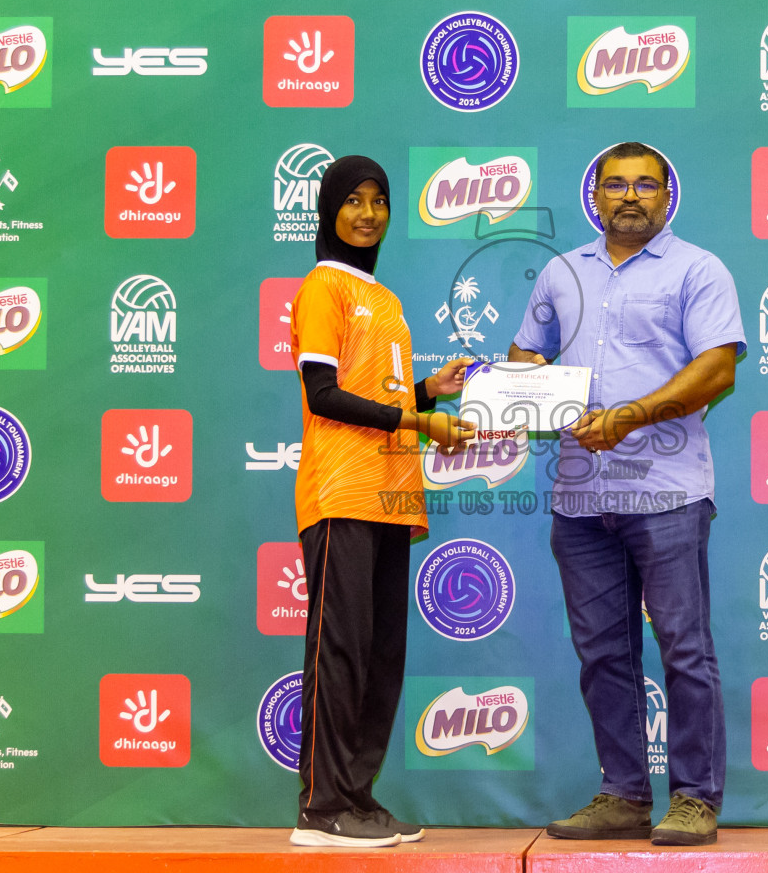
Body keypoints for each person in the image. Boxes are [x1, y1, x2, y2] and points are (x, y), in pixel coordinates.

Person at [509, 142, 744, 847]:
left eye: (646, 185)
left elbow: (716, 373)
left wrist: (632, 416)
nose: (631, 196)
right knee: (603, 654)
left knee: (683, 648)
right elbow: (528, 355)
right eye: (616, 185)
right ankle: (622, 793)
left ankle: (696, 798)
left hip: (668, 496)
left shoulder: (698, 270)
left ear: (668, 197)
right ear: (597, 197)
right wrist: (518, 387)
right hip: (580, 499)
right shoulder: (561, 272)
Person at [285, 154, 475, 848]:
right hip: (341, 491)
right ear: (329, 209)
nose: (368, 213)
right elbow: (323, 396)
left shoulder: (384, 298)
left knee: (378, 654)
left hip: (393, 496)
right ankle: (320, 808)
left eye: (379, 201)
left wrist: (429, 392)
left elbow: (382, 395)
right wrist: (419, 422)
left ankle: (357, 800)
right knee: (339, 650)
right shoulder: (322, 287)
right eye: (353, 200)